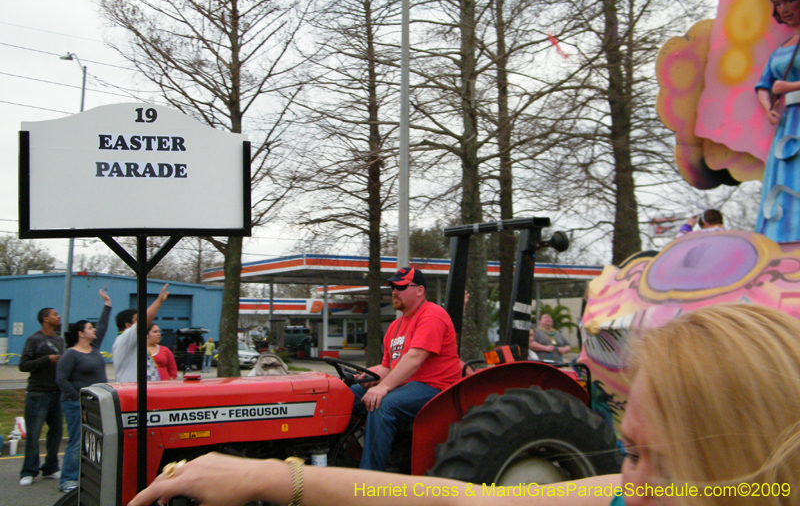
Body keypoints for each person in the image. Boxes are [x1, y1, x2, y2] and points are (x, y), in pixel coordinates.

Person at [129, 303, 800, 506]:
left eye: (663, 461)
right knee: (368, 398)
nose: (636, 482)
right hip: (395, 379)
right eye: (629, 450)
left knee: (390, 410)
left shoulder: (430, 319)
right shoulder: (632, 493)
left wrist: (384, 387)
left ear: (753, 477)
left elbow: (416, 366)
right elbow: (475, 502)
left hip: (426, 388)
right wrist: (269, 475)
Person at [351, 266, 461, 471]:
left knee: (381, 405)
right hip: (408, 386)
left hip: (436, 388)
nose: (394, 291)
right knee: (347, 395)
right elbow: (387, 367)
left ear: (420, 290)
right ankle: (342, 460)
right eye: (393, 287)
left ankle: (369, 478)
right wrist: (365, 376)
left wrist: (382, 388)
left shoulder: (432, 314)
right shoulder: (395, 326)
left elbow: (415, 358)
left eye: (400, 287)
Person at [756, 0, 800, 243]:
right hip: (787, 125)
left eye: (790, 0)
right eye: (778, 2)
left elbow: (778, 86)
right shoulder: (780, 49)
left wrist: (790, 88)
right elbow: (763, 84)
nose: (784, 8)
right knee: (785, 177)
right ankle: (783, 238)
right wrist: (768, 107)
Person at [56, 289, 112, 493]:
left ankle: (91, 474)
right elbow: (61, 379)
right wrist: (76, 397)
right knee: (78, 439)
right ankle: (68, 479)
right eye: (90, 327)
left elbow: (103, 325)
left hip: (96, 404)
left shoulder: (94, 348)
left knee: (96, 439)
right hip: (76, 404)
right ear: (81, 333)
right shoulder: (71, 354)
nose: (94, 329)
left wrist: (107, 304)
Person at [18, 307, 64, 487]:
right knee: (34, 434)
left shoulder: (59, 340)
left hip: (56, 393)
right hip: (38, 393)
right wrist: (47, 359)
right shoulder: (34, 340)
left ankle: (51, 467)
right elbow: (23, 365)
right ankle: (29, 471)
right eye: (54, 314)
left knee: (56, 433)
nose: (58, 316)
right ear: (46, 319)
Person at [112, 284, 169, 383]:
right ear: (128, 325)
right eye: (136, 320)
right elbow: (145, 321)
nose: (140, 323)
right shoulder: (124, 338)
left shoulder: (133, 341)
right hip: (132, 393)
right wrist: (159, 301)